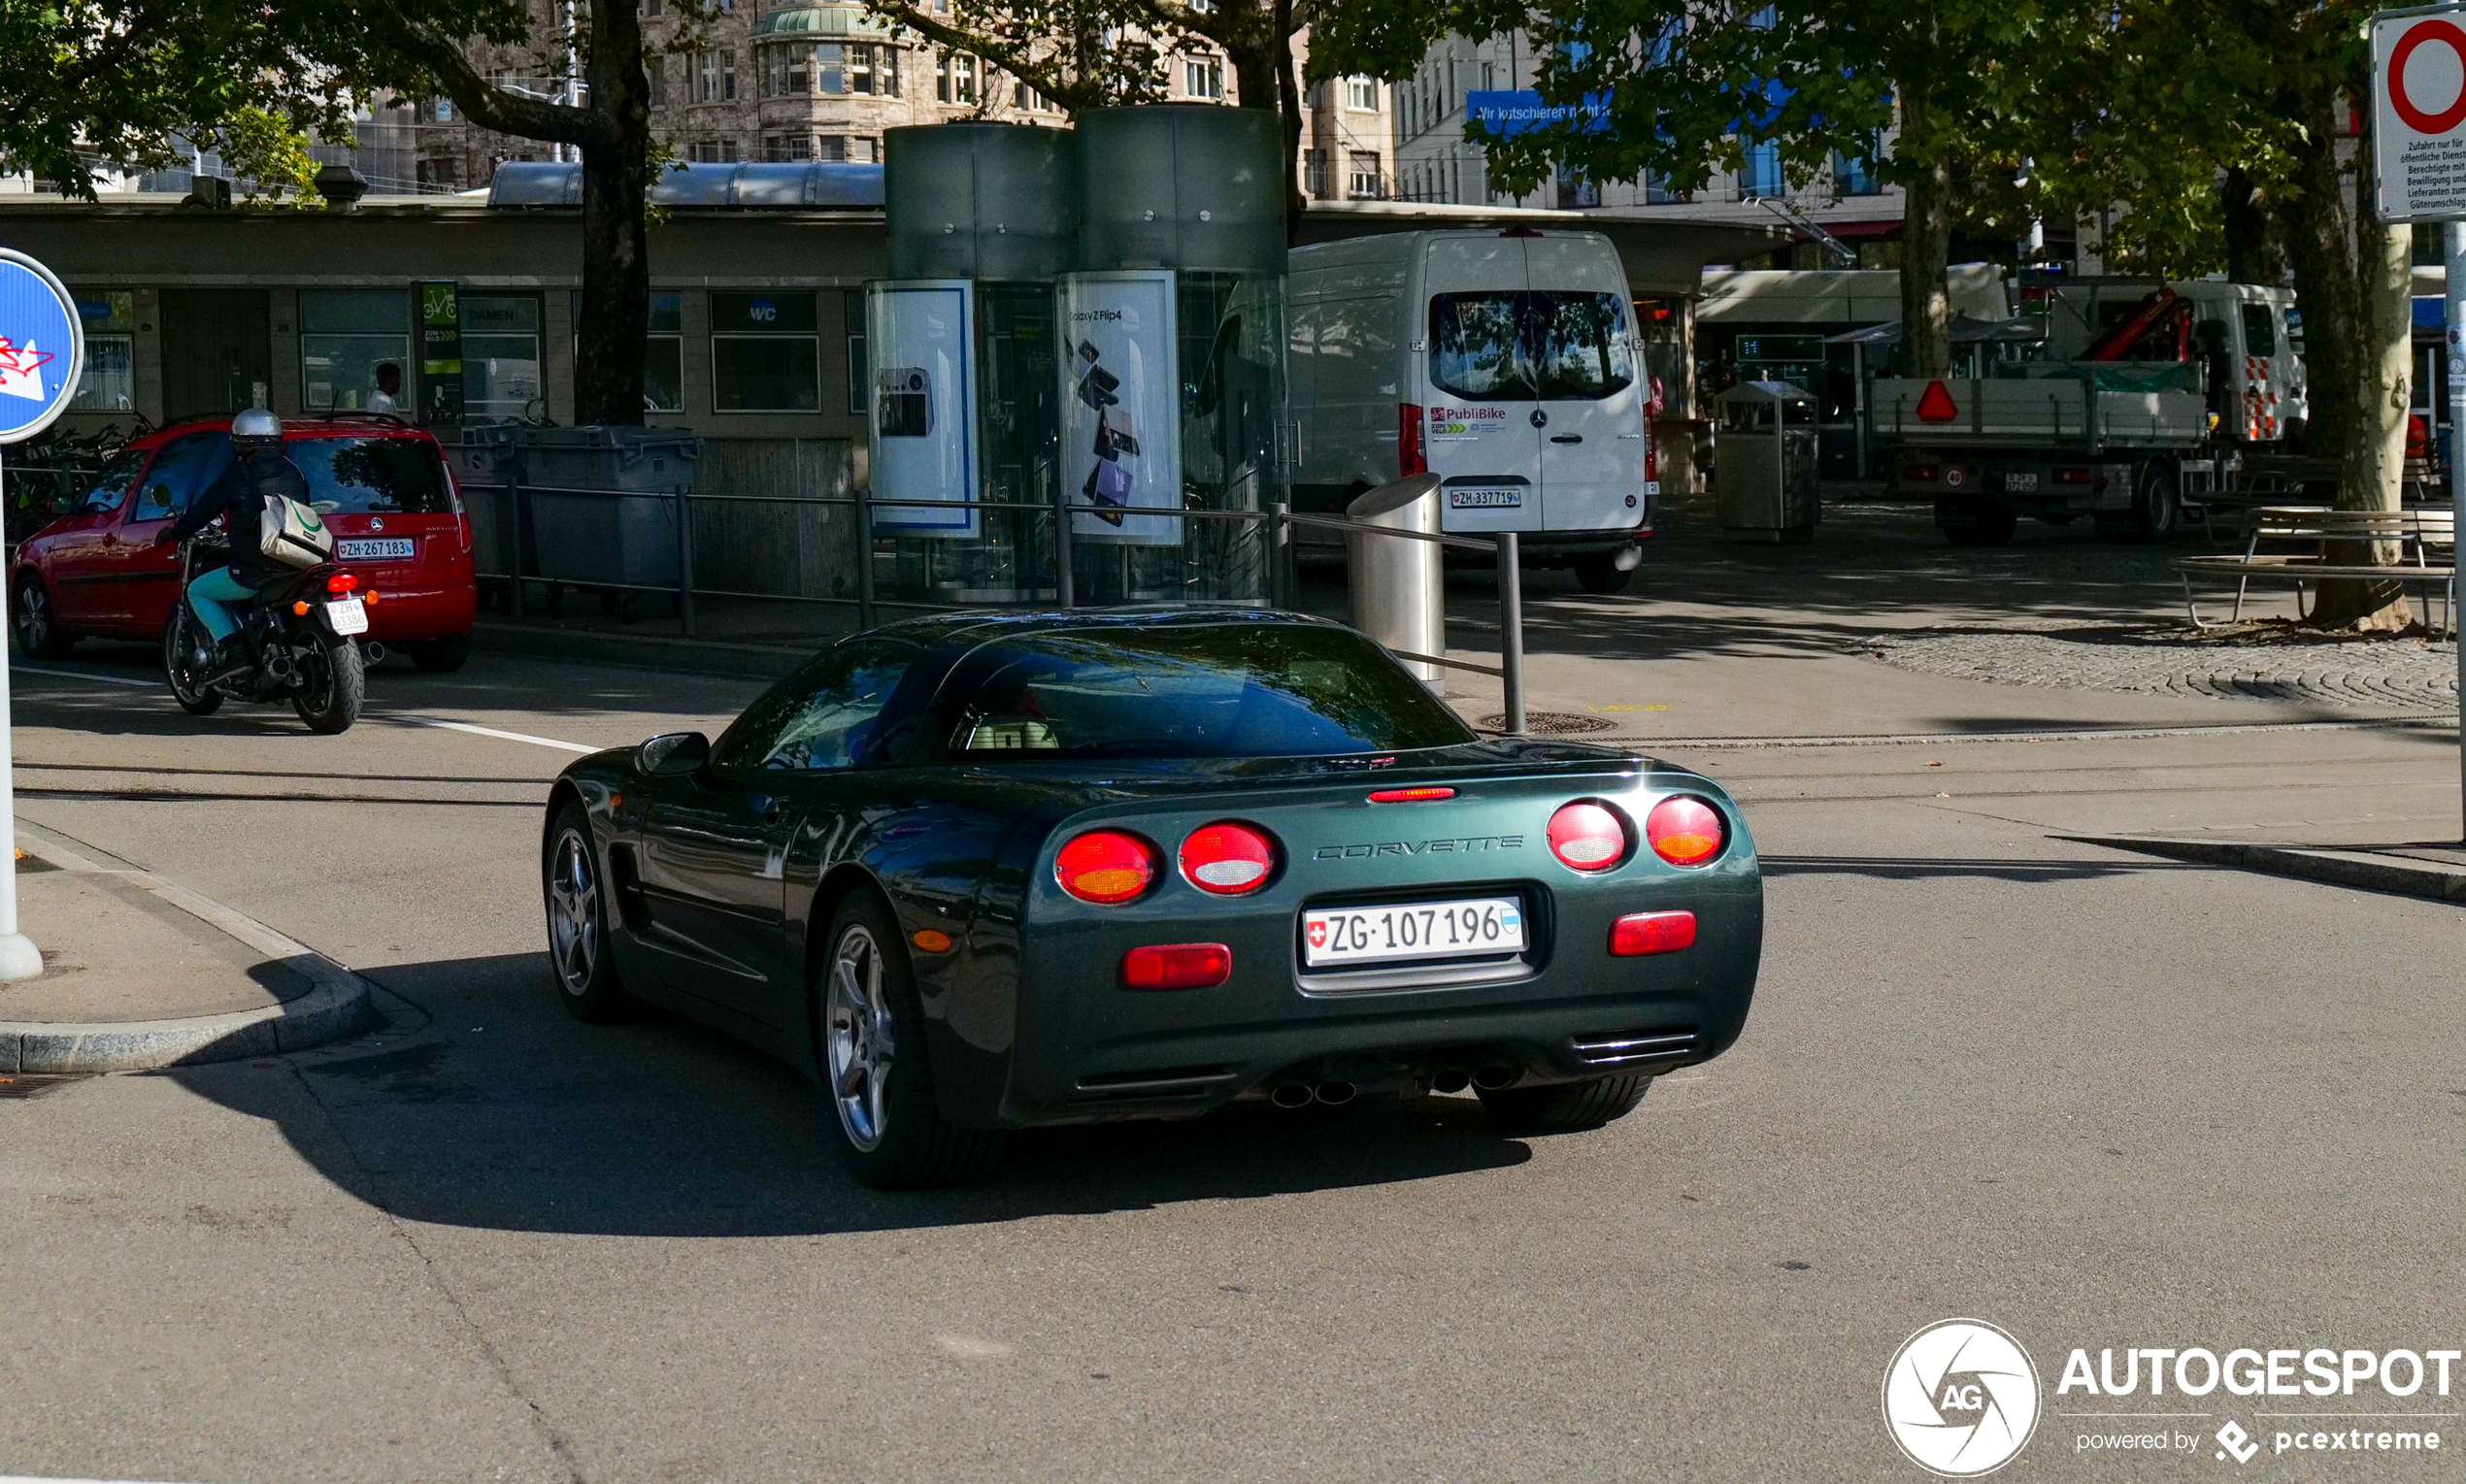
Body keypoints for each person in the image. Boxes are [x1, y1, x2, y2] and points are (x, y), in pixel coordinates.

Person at [153, 408, 311, 676]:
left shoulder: (239, 475)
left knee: (197, 591)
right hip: (296, 564)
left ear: (239, 442)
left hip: (258, 569)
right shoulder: (294, 471)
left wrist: (175, 532)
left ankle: (235, 651)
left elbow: (205, 508)